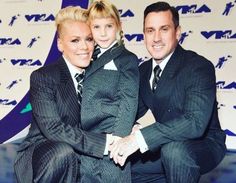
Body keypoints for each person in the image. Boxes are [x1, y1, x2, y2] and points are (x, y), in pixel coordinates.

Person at [110, 1, 226, 183]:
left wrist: (139, 138)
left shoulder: (198, 67)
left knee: (173, 152)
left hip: (203, 143)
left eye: (164, 29)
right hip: (166, 141)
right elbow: (129, 111)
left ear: (177, 32)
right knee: (115, 164)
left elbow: (195, 123)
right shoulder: (144, 70)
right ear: (144, 35)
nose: (156, 38)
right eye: (150, 30)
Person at [14, 6, 115, 183]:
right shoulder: (43, 77)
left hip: (86, 153)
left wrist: (131, 130)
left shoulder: (101, 75)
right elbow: (53, 129)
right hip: (46, 150)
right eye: (75, 41)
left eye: (89, 39)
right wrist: (104, 144)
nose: (84, 47)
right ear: (60, 44)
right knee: (64, 152)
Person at [79, 0, 139, 182]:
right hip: (86, 140)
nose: (103, 33)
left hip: (112, 137)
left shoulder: (127, 59)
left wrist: (119, 140)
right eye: (96, 27)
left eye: (109, 26)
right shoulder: (83, 58)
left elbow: (128, 101)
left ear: (118, 26)